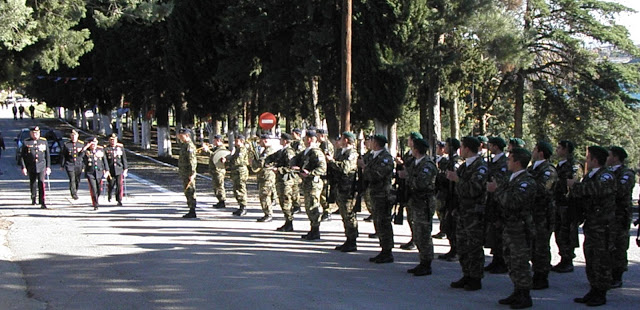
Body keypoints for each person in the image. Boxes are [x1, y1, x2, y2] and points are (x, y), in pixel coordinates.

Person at [487, 147, 536, 309]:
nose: (507, 162)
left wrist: (497, 190)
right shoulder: (513, 178)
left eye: (509, 159)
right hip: (509, 226)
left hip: (520, 228)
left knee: (520, 261)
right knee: (510, 260)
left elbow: (513, 202)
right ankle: (517, 290)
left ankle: (524, 294)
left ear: (517, 162)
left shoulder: (526, 181)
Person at [568, 146, 615, 306]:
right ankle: (593, 289)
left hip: (603, 224)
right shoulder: (591, 176)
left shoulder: (605, 176)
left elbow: (594, 190)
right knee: (591, 257)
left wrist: (575, 186)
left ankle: (600, 292)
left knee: (601, 259)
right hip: (591, 223)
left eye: (588, 158)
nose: (586, 161)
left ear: (595, 160)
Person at [447, 136, 488, 291]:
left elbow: (474, 189)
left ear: (468, 149)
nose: (460, 150)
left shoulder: (480, 167)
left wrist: (457, 180)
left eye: (462, 147)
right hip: (463, 211)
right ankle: (467, 274)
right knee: (462, 245)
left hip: (474, 213)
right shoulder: (464, 166)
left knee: (474, 246)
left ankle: (476, 277)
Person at [403, 138, 438, 276]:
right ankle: (422, 260)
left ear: (416, 150)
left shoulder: (427, 165)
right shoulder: (415, 163)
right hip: (415, 201)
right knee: (418, 232)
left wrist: (407, 177)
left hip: (424, 202)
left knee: (424, 233)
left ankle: (427, 263)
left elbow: (421, 183)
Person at [527, 141, 558, 290]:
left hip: (543, 215)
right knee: (533, 246)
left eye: (534, 149)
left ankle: (542, 276)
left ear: (540, 153)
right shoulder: (532, 169)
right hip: (532, 213)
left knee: (541, 246)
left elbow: (543, 190)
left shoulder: (548, 170)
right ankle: (536, 273)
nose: (532, 152)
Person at [362, 134, 395, 263]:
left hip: (383, 194)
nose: (369, 143)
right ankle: (383, 249)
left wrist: (364, 168)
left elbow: (377, 175)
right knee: (377, 222)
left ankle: (388, 251)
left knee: (384, 223)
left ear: (376, 143)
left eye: (371, 141)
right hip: (374, 194)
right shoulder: (372, 156)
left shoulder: (385, 158)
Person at [606, 146, 635, 288]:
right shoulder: (608, 172)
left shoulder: (626, 173)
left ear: (616, 157)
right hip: (608, 216)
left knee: (619, 246)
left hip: (620, 216)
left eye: (609, 155)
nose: (607, 158)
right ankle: (607, 274)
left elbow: (620, 190)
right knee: (608, 246)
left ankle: (617, 276)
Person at [327, 132, 359, 252]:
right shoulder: (341, 152)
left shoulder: (352, 154)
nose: (338, 141)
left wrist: (331, 161)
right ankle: (348, 238)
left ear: (346, 140)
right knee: (344, 215)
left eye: (341, 139)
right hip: (340, 188)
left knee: (349, 215)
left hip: (347, 189)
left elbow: (345, 168)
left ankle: (352, 240)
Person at [292, 130, 327, 240]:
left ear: (310, 139)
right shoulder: (306, 151)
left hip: (314, 182)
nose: (304, 140)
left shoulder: (316, 152)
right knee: (308, 206)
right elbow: (296, 160)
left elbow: (322, 168)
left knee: (313, 206)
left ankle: (315, 230)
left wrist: (310, 173)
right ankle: (312, 229)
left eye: (306, 138)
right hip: (307, 182)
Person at [552, 140, 580, 273]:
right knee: (559, 232)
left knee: (567, 232)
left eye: (559, 148)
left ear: (566, 150)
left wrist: (558, 183)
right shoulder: (560, 165)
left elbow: (572, 183)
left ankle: (568, 259)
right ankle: (563, 258)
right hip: (558, 203)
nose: (557, 150)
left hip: (568, 204)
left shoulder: (572, 166)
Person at [483, 137, 510, 274]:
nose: (489, 147)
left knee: (500, 230)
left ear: (496, 147)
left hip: (499, 199)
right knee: (493, 229)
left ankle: (502, 261)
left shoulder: (503, 162)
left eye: (491, 145)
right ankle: (496, 259)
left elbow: (502, 180)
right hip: (491, 198)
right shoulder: (493, 161)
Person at [395, 132, 421, 250]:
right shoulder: (408, 153)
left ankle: (416, 240)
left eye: (410, 140)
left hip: (415, 191)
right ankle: (414, 237)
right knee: (410, 217)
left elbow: (412, 169)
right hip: (406, 188)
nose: (408, 141)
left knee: (415, 219)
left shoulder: (417, 155)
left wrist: (403, 164)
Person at [437, 138, 461, 262]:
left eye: (446, 145)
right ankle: (452, 248)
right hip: (445, 196)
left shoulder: (456, 162)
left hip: (453, 196)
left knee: (453, 224)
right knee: (447, 224)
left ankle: (456, 250)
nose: (444, 147)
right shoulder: (447, 161)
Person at [20, 126, 51, 209]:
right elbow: (22, 156)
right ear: (31, 133)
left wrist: (48, 167)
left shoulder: (43, 141)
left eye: (37, 133)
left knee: (41, 182)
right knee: (33, 183)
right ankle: (33, 197)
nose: (35, 134)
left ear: (39, 133)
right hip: (31, 166)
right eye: (33, 133)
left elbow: (47, 155)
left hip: (41, 166)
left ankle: (42, 201)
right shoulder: (26, 142)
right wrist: (24, 167)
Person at [274, 133, 298, 231]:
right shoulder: (282, 151)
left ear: (285, 141)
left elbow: (291, 167)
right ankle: (287, 222)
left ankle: (289, 223)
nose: (280, 140)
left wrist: (279, 170)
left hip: (287, 180)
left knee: (286, 201)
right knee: (283, 201)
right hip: (281, 179)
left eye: (281, 139)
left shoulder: (289, 152)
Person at [256, 134, 278, 222]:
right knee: (264, 195)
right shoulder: (265, 150)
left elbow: (262, 163)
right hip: (264, 176)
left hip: (268, 176)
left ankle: (268, 214)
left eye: (260, 140)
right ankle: (267, 213)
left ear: (265, 140)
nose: (259, 142)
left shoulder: (268, 151)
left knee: (265, 195)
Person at [201, 135, 228, 208]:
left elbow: (215, 156)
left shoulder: (222, 149)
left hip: (219, 170)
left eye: (214, 140)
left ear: (219, 140)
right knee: (216, 186)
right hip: (214, 170)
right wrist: (205, 151)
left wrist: (208, 150)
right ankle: (219, 200)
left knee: (219, 186)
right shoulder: (216, 148)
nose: (213, 142)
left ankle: (222, 201)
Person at [82, 137, 109, 210]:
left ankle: (97, 198)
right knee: (93, 188)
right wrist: (86, 147)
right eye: (91, 142)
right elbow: (80, 156)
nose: (93, 144)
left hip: (99, 172)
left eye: (94, 142)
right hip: (90, 172)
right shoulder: (86, 151)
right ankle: (95, 204)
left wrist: (107, 170)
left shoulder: (100, 150)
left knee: (99, 188)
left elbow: (104, 161)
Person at [317, 129, 337, 221]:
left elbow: (327, 157)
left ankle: (327, 211)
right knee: (322, 193)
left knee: (324, 193)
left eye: (317, 135)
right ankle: (326, 210)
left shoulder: (326, 144)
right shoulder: (322, 144)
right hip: (324, 171)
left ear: (322, 135)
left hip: (326, 172)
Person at [104, 134, 128, 206]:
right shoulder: (106, 149)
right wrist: (106, 170)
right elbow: (105, 161)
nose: (113, 141)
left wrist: (125, 168)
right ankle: (110, 194)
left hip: (119, 169)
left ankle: (119, 199)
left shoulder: (120, 148)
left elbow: (124, 159)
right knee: (111, 184)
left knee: (119, 185)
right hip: (110, 170)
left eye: (114, 140)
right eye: (111, 140)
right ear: (109, 140)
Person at [61, 129, 85, 200]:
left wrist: (84, 166)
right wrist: (62, 165)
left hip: (78, 164)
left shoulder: (81, 144)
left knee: (77, 179)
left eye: (75, 135)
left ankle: (76, 190)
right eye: (72, 135)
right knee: (72, 179)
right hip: (70, 164)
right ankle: (73, 193)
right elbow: (63, 155)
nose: (73, 137)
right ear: (70, 136)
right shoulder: (67, 144)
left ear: (78, 136)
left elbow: (83, 156)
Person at [229, 134, 249, 216]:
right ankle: (240, 206)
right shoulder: (238, 149)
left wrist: (229, 159)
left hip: (241, 172)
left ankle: (243, 207)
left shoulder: (242, 150)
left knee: (241, 189)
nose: (235, 142)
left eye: (237, 141)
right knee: (236, 189)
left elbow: (237, 161)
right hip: (236, 172)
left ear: (242, 141)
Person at [290, 128, 304, 214]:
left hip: (297, 167)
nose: (292, 135)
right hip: (293, 166)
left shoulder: (300, 143)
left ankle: (297, 205)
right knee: (293, 187)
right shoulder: (293, 143)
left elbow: (299, 155)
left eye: (293, 134)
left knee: (295, 187)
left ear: (298, 134)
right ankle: (295, 204)